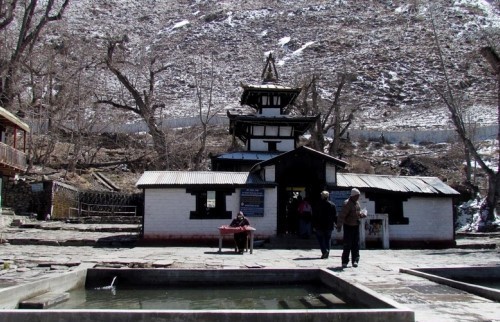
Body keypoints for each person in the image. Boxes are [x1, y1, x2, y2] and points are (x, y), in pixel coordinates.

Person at [337, 188, 364, 268]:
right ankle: (345, 261)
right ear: (353, 196)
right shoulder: (347, 204)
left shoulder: (357, 203)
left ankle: (355, 260)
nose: (358, 197)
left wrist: (362, 215)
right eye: (357, 196)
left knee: (356, 244)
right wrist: (339, 226)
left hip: (356, 225)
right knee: (347, 244)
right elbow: (341, 216)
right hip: (348, 226)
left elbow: (358, 213)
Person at [312, 191, 337, 259]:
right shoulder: (332, 205)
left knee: (320, 239)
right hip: (329, 225)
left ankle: (324, 251)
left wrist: (314, 225)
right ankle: (327, 251)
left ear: (322, 196)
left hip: (319, 225)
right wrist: (336, 223)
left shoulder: (317, 204)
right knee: (328, 239)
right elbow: (335, 216)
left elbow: (314, 216)